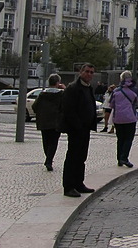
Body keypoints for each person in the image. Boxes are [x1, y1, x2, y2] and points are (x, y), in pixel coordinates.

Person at [60, 63, 98, 198]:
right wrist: (78, 126)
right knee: (72, 157)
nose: (89, 74)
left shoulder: (88, 88)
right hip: (76, 129)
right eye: (87, 71)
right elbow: (68, 110)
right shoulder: (73, 88)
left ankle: (79, 183)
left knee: (81, 157)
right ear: (80, 72)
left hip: (85, 129)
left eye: (92, 72)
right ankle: (69, 186)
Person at [34, 74, 65, 171]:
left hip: (43, 121)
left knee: (46, 141)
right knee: (53, 142)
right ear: (57, 83)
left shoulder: (42, 94)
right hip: (56, 122)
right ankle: (49, 160)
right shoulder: (61, 94)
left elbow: (35, 106)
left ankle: (48, 158)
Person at [110, 71, 138, 168]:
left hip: (118, 118)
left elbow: (111, 104)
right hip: (130, 118)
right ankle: (124, 157)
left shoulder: (116, 91)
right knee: (128, 138)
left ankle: (119, 159)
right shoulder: (134, 91)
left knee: (120, 139)